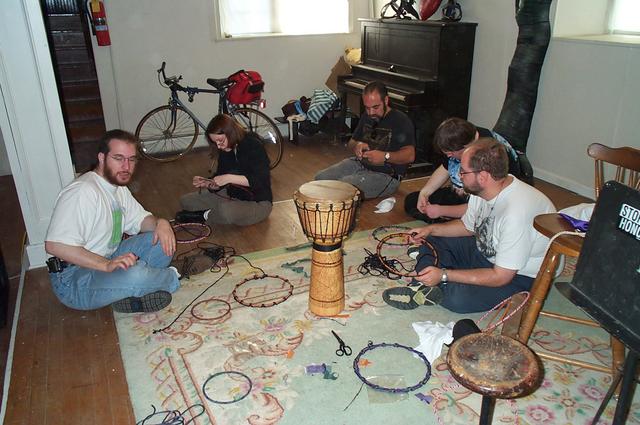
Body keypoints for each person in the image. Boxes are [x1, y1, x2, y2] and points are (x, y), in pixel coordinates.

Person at [384, 138, 555, 314]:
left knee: (459, 299)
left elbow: (501, 277)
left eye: (463, 171)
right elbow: (468, 227)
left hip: (520, 275)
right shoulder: (483, 189)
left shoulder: (517, 213)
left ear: (483, 177)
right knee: (434, 239)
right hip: (487, 253)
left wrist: (444, 275)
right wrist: (429, 230)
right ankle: (430, 283)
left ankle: (433, 283)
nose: (459, 176)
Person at [45, 130, 180, 313]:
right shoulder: (82, 192)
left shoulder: (117, 188)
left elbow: (142, 221)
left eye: (131, 159)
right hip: (74, 279)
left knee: (160, 242)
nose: (126, 166)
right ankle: (171, 277)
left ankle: (134, 289)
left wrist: (161, 223)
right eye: (119, 158)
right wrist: (105, 265)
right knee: (136, 275)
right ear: (102, 158)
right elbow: (55, 246)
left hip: (108, 256)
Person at [404, 117, 524, 223]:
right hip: (464, 194)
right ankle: (450, 221)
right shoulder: (460, 138)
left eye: (451, 153)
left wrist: (441, 210)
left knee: (480, 216)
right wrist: (425, 193)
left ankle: (452, 222)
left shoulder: (487, 153)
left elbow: (482, 206)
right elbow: (445, 168)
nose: (448, 156)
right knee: (412, 201)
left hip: (489, 202)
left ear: (467, 146)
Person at [314, 81, 415, 199]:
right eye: (367, 108)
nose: (371, 113)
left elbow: (410, 156)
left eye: (375, 107)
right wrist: (357, 145)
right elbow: (351, 143)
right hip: (360, 164)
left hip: (386, 175)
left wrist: (385, 157)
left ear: (386, 100)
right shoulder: (367, 116)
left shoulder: (401, 120)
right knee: (320, 179)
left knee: (342, 189)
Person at [175, 114, 273, 226]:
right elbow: (221, 175)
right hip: (232, 195)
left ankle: (203, 216)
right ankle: (212, 213)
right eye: (215, 142)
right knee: (186, 201)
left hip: (258, 202)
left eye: (220, 140)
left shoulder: (253, 145)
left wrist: (228, 178)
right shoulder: (225, 147)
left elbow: (260, 180)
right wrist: (209, 183)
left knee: (225, 211)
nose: (218, 145)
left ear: (230, 133)